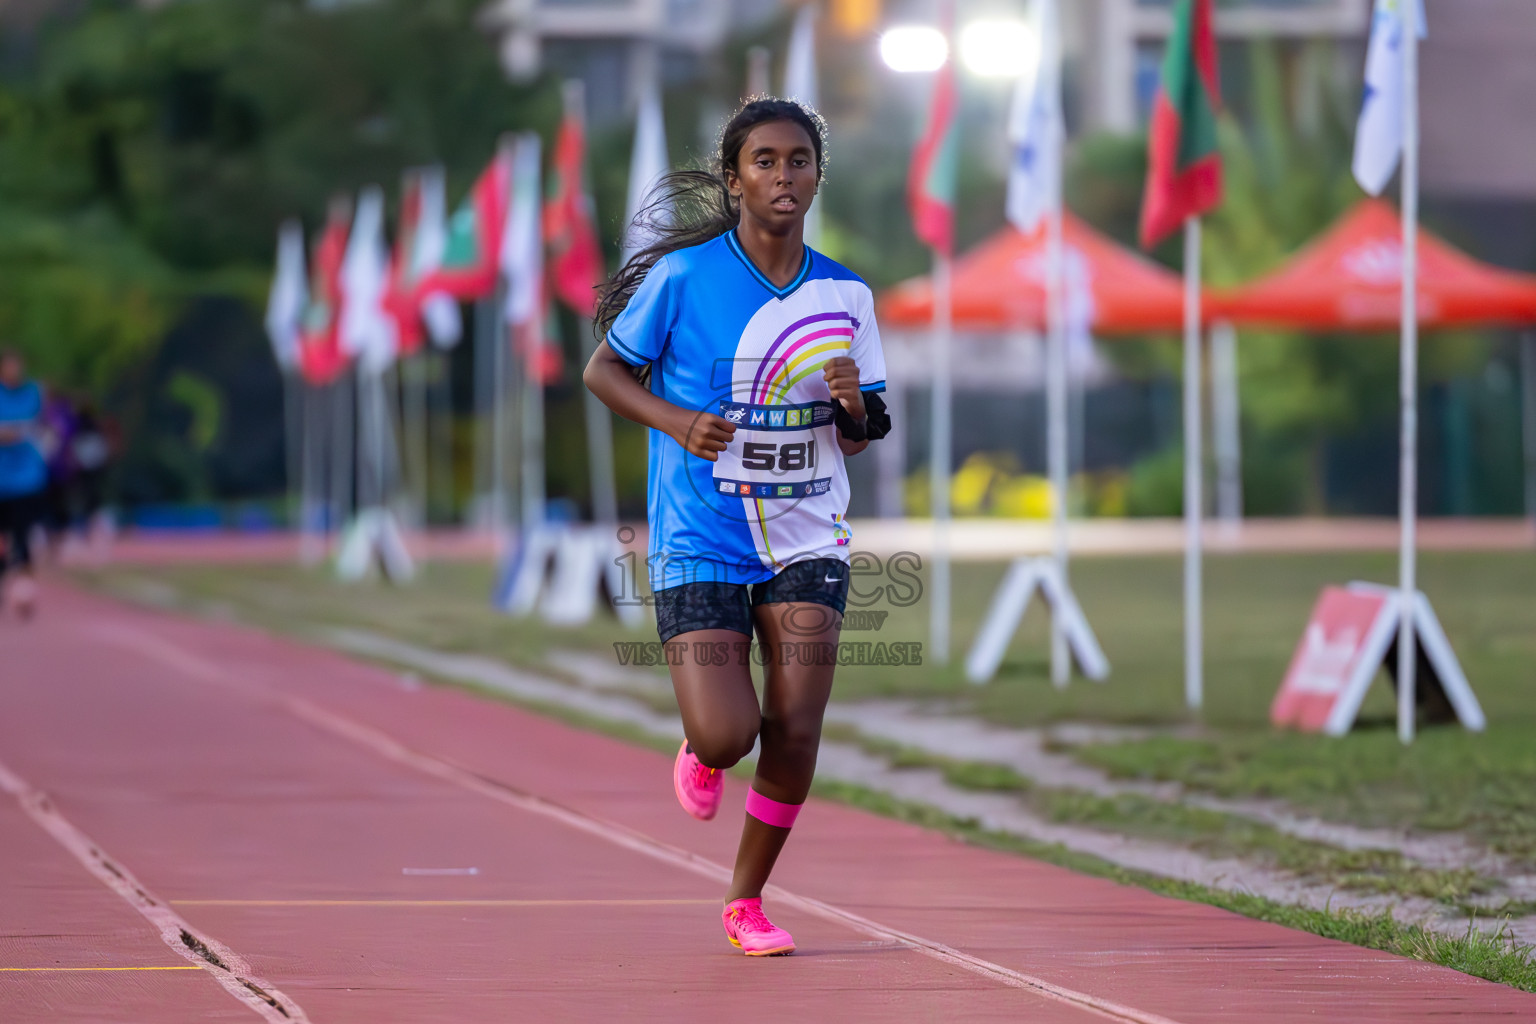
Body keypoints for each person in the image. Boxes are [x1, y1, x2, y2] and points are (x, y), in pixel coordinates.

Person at [585, 98, 890, 956]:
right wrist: (679, 423)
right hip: (699, 537)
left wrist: (851, 405)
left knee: (796, 725)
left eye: (798, 160)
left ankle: (745, 901)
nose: (783, 176)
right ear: (734, 178)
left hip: (806, 536)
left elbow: (865, 435)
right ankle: (703, 744)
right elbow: (603, 371)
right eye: (764, 161)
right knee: (732, 731)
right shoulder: (684, 280)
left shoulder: (846, 293)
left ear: (817, 176)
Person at [0, 348, 48, 618]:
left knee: (24, 538)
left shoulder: (33, 394)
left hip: (27, 481)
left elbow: (41, 427)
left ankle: (26, 592)